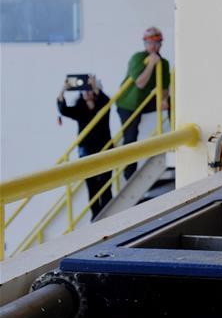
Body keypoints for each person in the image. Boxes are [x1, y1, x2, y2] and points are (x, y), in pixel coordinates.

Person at [116, 27, 170, 180]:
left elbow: (164, 87)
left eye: (156, 43)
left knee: (172, 101)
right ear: (144, 44)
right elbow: (140, 82)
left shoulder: (163, 63)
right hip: (128, 104)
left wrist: (164, 99)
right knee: (131, 138)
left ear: (161, 44)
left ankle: (174, 138)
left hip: (143, 102)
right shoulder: (138, 58)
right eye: (149, 43)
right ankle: (129, 175)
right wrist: (151, 64)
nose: (153, 47)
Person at [57, 75, 112, 219]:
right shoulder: (79, 108)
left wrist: (94, 86)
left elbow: (107, 102)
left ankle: (108, 215)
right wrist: (64, 89)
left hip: (105, 149)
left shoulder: (102, 105)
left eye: (89, 90)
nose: (87, 92)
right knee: (92, 187)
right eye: (84, 90)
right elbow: (63, 109)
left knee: (106, 186)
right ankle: (95, 216)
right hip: (87, 151)